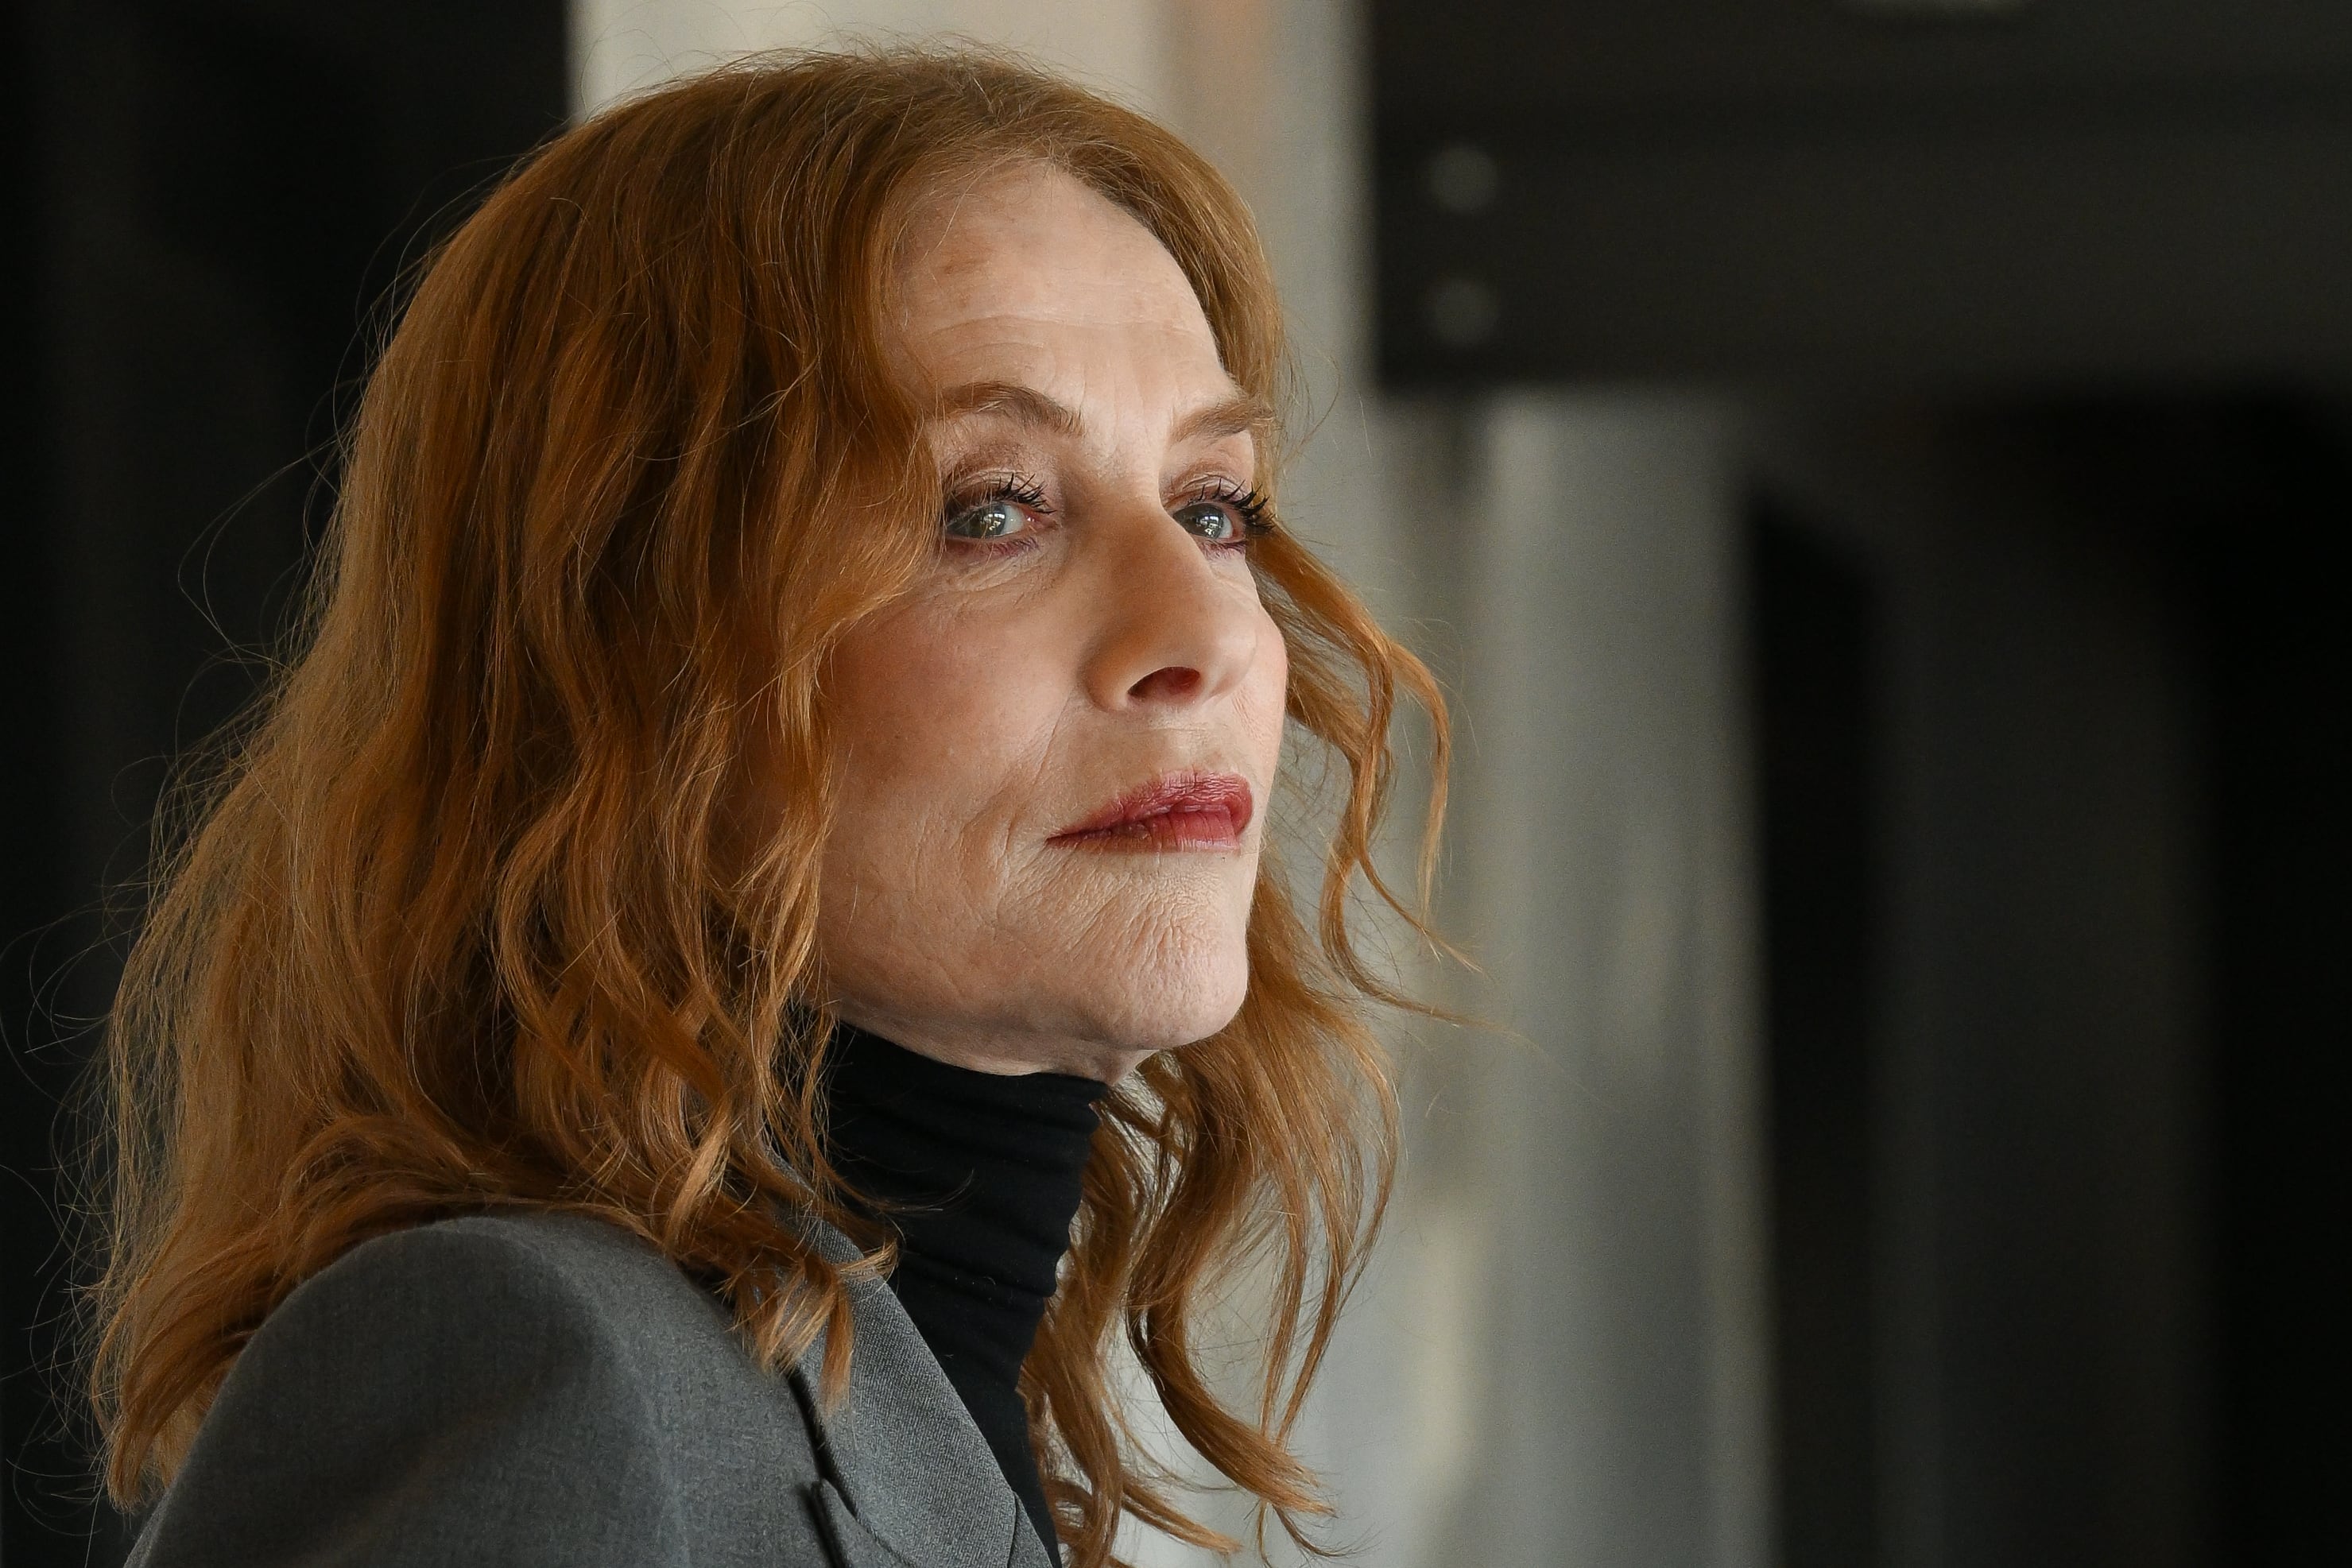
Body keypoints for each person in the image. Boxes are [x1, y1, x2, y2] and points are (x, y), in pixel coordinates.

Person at [92, 46, 1447, 1568]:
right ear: (632, 653)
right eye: (989, 510)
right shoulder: (528, 1361)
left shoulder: (935, 1425)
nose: (1199, 633)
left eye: (1213, 507)